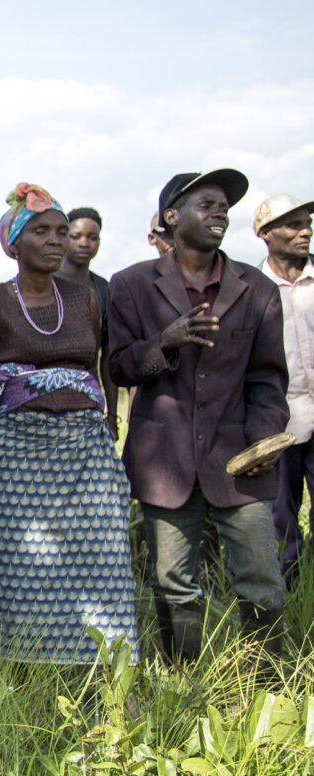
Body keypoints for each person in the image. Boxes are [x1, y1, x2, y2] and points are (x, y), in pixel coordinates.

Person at [108, 169, 288, 665]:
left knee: (259, 577)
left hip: (240, 459)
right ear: (172, 216)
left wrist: (262, 443)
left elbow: (268, 379)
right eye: (206, 204)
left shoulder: (255, 288)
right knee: (172, 582)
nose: (219, 214)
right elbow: (119, 367)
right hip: (163, 463)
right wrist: (164, 342)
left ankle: (268, 684)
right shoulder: (131, 285)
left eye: (223, 208)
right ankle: (184, 680)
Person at [0, 184, 137, 666]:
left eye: (61, 231)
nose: (56, 240)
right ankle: (20, 665)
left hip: (84, 447)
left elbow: (98, 367)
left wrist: (106, 420)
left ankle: (109, 664)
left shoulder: (86, 299)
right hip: (18, 454)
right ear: (14, 242)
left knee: (104, 556)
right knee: (22, 564)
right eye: (42, 231)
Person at [253, 194, 314, 582]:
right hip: (279, 422)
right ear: (265, 234)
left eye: (307, 223)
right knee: (281, 518)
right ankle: (289, 593)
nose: (305, 231)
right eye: (292, 225)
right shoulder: (252, 289)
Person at [56, 207, 118, 434]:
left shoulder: (104, 288)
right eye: (76, 236)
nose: (84, 243)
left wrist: (112, 415)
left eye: (93, 238)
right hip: (49, 401)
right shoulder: (46, 283)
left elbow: (108, 356)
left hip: (89, 401)